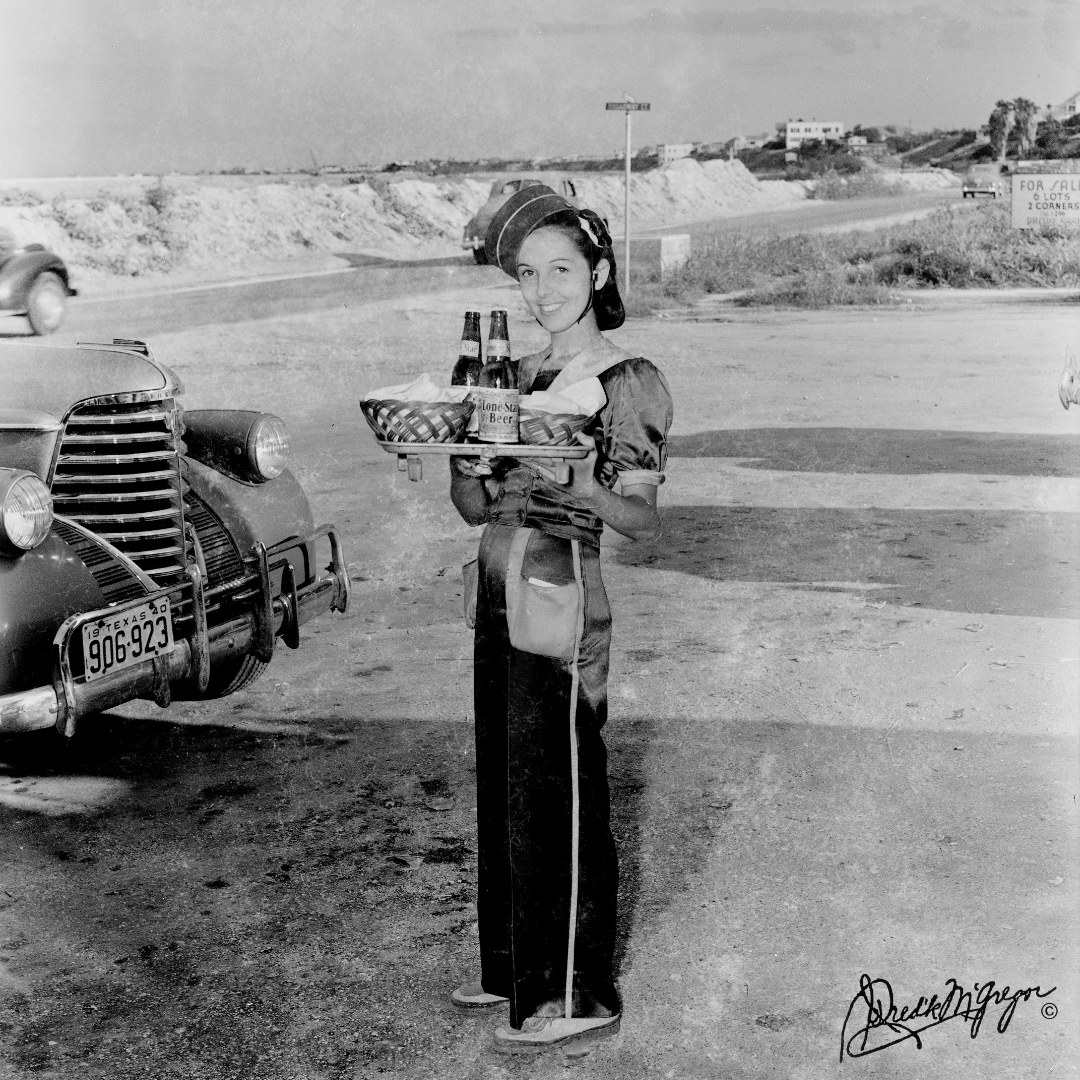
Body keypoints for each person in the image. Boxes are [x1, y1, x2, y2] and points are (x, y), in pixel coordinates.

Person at [448, 185, 673, 1054]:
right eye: (527, 274)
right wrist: (464, 463)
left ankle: (584, 991)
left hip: (565, 596)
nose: (542, 290)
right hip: (498, 593)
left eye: (560, 271)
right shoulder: (514, 379)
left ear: (600, 273)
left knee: (565, 791)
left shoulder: (626, 380)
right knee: (508, 784)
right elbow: (475, 506)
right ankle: (512, 968)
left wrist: (583, 488)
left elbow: (644, 518)